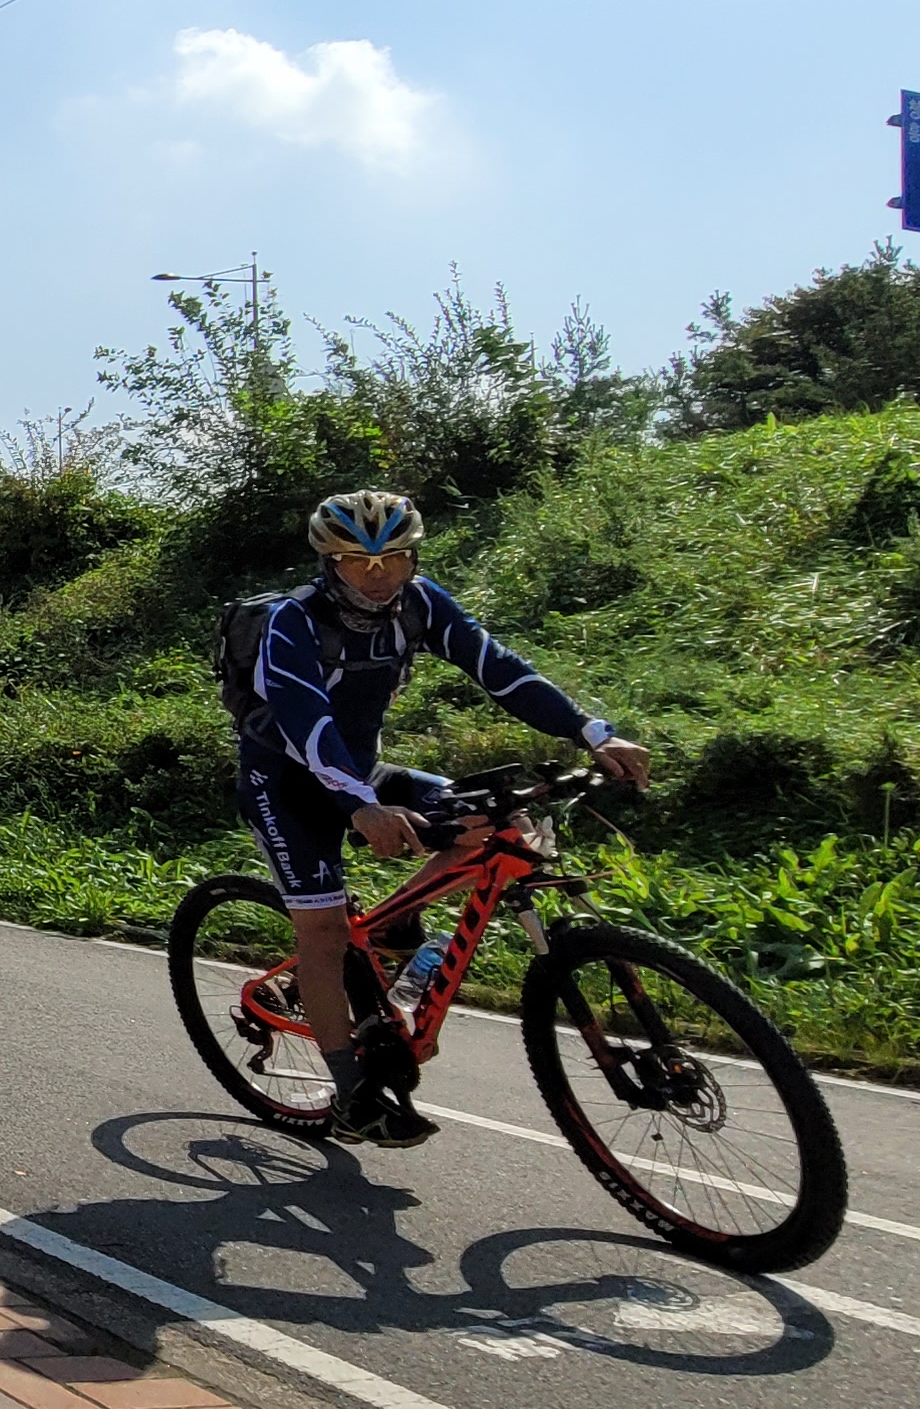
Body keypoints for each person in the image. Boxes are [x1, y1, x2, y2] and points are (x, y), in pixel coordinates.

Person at [236, 489, 650, 1148]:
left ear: (413, 558)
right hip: (285, 782)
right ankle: (351, 1093)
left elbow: (500, 669)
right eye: (357, 562)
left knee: (500, 827)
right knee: (324, 931)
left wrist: (591, 732)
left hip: (361, 772)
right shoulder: (294, 621)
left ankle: (393, 921)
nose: (378, 577)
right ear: (330, 563)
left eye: (394, 559)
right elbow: (306, 723)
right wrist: (362, 806)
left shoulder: (421, 603)